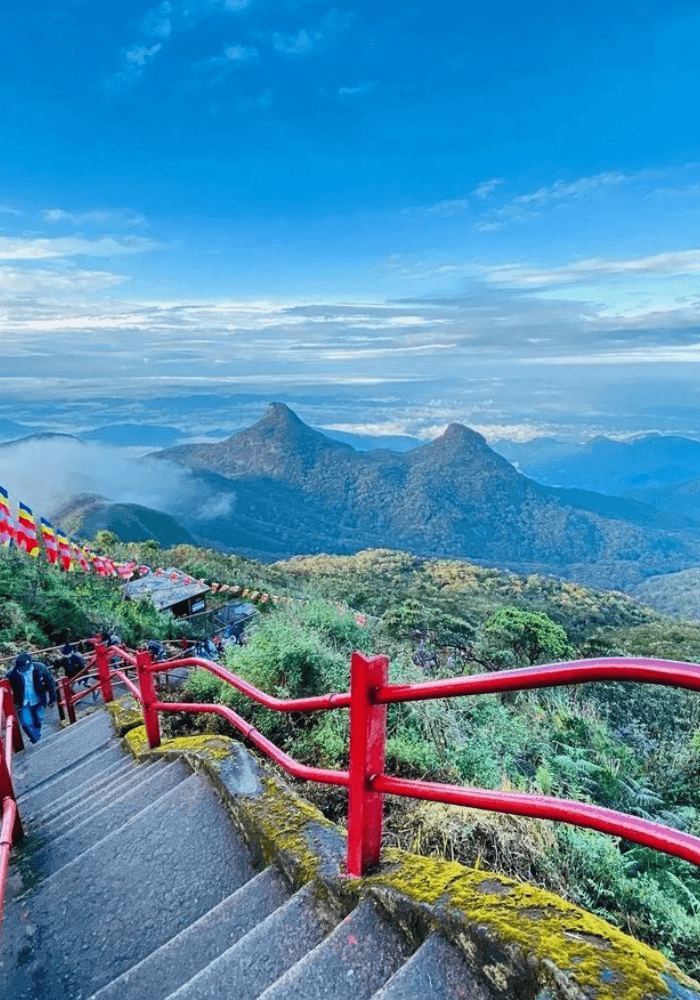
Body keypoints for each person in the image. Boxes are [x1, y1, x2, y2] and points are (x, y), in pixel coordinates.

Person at [5, 651, 57, 744]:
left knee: (39, 719)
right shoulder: (11, 674)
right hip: (23, 702)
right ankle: (33, 738)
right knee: (26, 723)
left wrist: (52, 698)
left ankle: (36, 734)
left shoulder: (40, 668)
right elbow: (5, 688)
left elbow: (50, 682)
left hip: (38, 699)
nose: (24, 670)